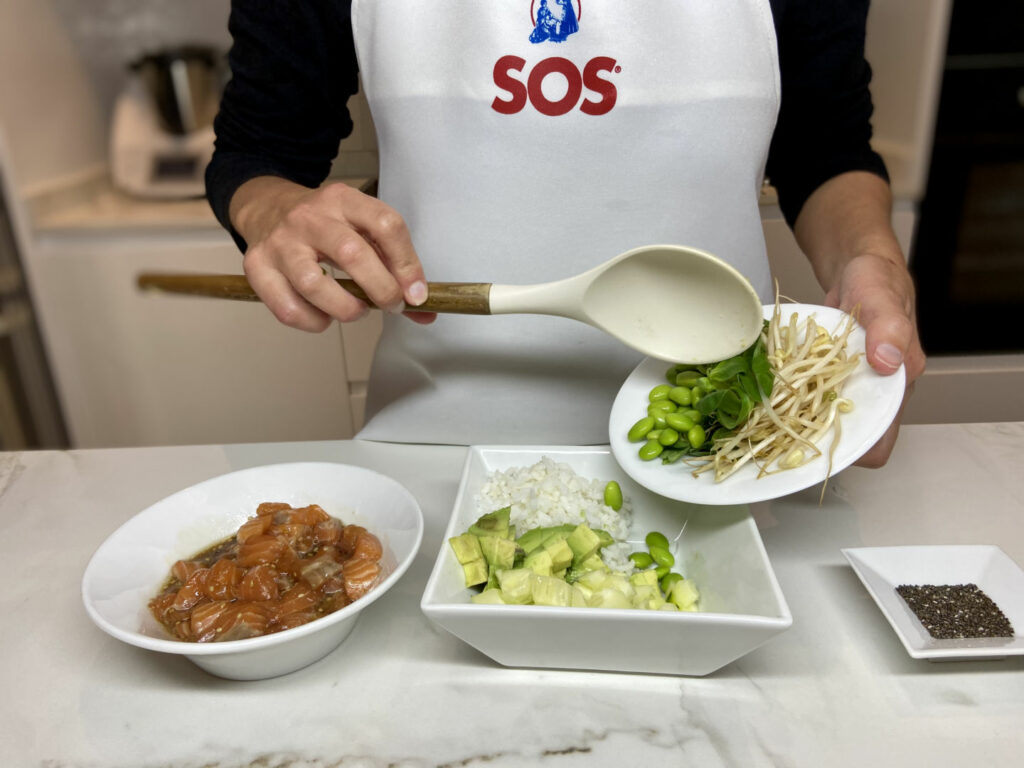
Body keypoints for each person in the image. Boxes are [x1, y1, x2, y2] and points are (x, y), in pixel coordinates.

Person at [206, 0, 925, 462]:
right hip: (433, 441)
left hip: (733, 451)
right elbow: (259, 152)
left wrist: (872, 260)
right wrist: (273, 212)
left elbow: (825, 146)